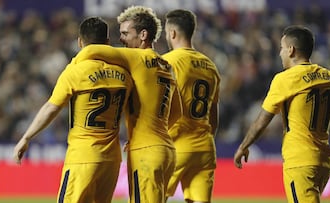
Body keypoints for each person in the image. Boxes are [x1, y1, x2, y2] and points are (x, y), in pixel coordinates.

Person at [13, 17, 133, 203]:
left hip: (83, 156)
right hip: (112, 159)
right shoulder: (124, 74)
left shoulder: (76, 71)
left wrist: (26, 137)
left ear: (79, 42)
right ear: (107, 42)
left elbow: (51, 108)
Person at [74, 5, 182, 203]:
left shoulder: (136, 57)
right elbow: (177, 112)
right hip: (166, 150)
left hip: (146, 153)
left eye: (125, 33)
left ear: (143, 35)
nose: (121, 39)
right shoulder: (167, 65)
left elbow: (93, 50)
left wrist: (74, 65)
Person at [233, 25, 330, 203]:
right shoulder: (329, 77)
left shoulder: (286, 79)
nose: (280, 53)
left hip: (300, 161)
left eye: (282, 48)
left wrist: (244, 145)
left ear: (291, 50)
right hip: (323, 162)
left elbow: (262, 121)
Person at [162, 9, 220, 203]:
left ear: (172, 33)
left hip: (176, 144)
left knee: (152, 197)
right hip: (204, 148)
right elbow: (213, 116)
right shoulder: (210, 66)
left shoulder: (168, 62)